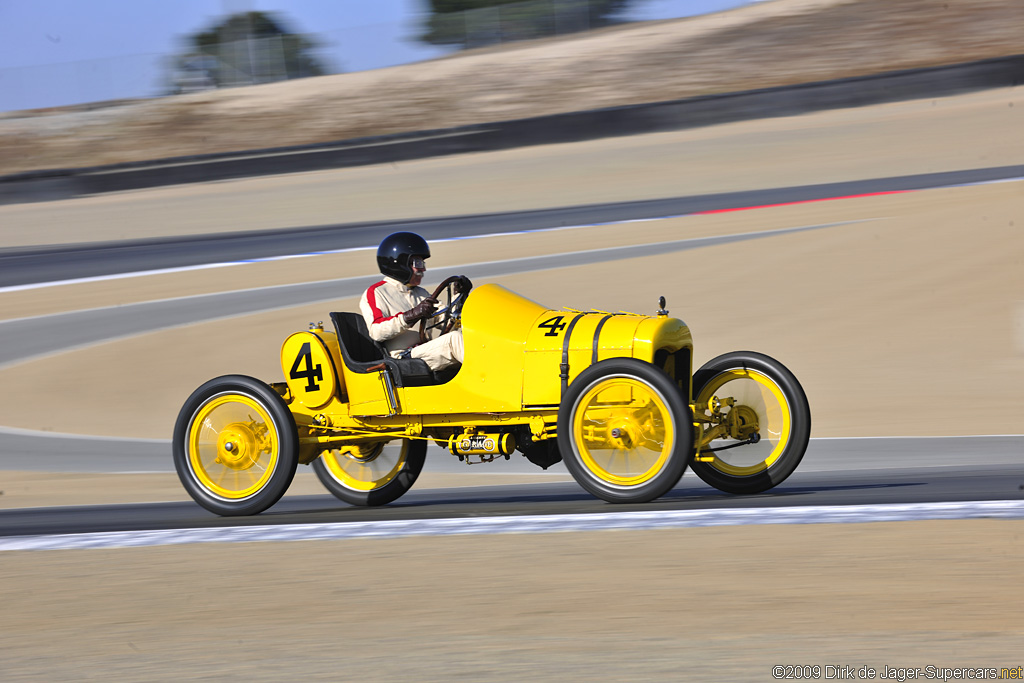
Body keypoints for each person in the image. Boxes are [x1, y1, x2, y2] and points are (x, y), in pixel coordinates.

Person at [359, 232, 471, 372]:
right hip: (403, 360)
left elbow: (448, 323)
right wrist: (410, 316)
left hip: (424, 352)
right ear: (399, 264)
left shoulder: (421, 293)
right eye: (418, 263)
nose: (423, 269)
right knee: (454, 340)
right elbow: (376, 331)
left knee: (471, 337)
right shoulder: (377, 292)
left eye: (423, 263)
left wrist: (459, 296)